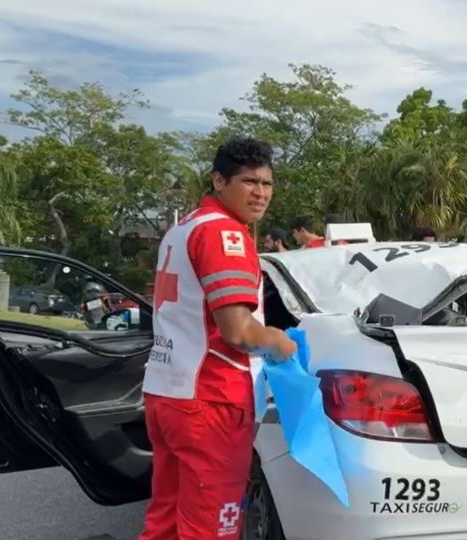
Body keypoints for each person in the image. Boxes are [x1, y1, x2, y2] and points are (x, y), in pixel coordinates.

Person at [138, 137, 297, 540]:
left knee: (166, 522)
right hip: (210, 398)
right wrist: (281, 342)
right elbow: (239, 331)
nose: (261, 193)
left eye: (267, 184)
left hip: (166, 392)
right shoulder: (227, 235)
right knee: (211, 527)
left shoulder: (183, 228)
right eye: (249, 182)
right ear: (219, 180)